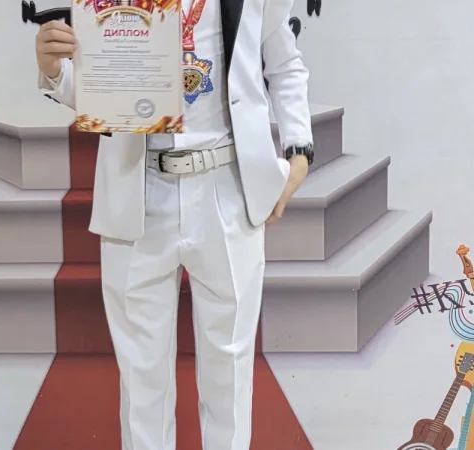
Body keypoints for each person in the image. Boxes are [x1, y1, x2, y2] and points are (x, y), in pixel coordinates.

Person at [35, 0, 313, 448]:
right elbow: (101, 88)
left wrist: (299, 148)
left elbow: (283, 64)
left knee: (230, 366)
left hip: (228, 184)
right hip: (138, 185)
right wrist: (54, 71)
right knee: (141, 373)